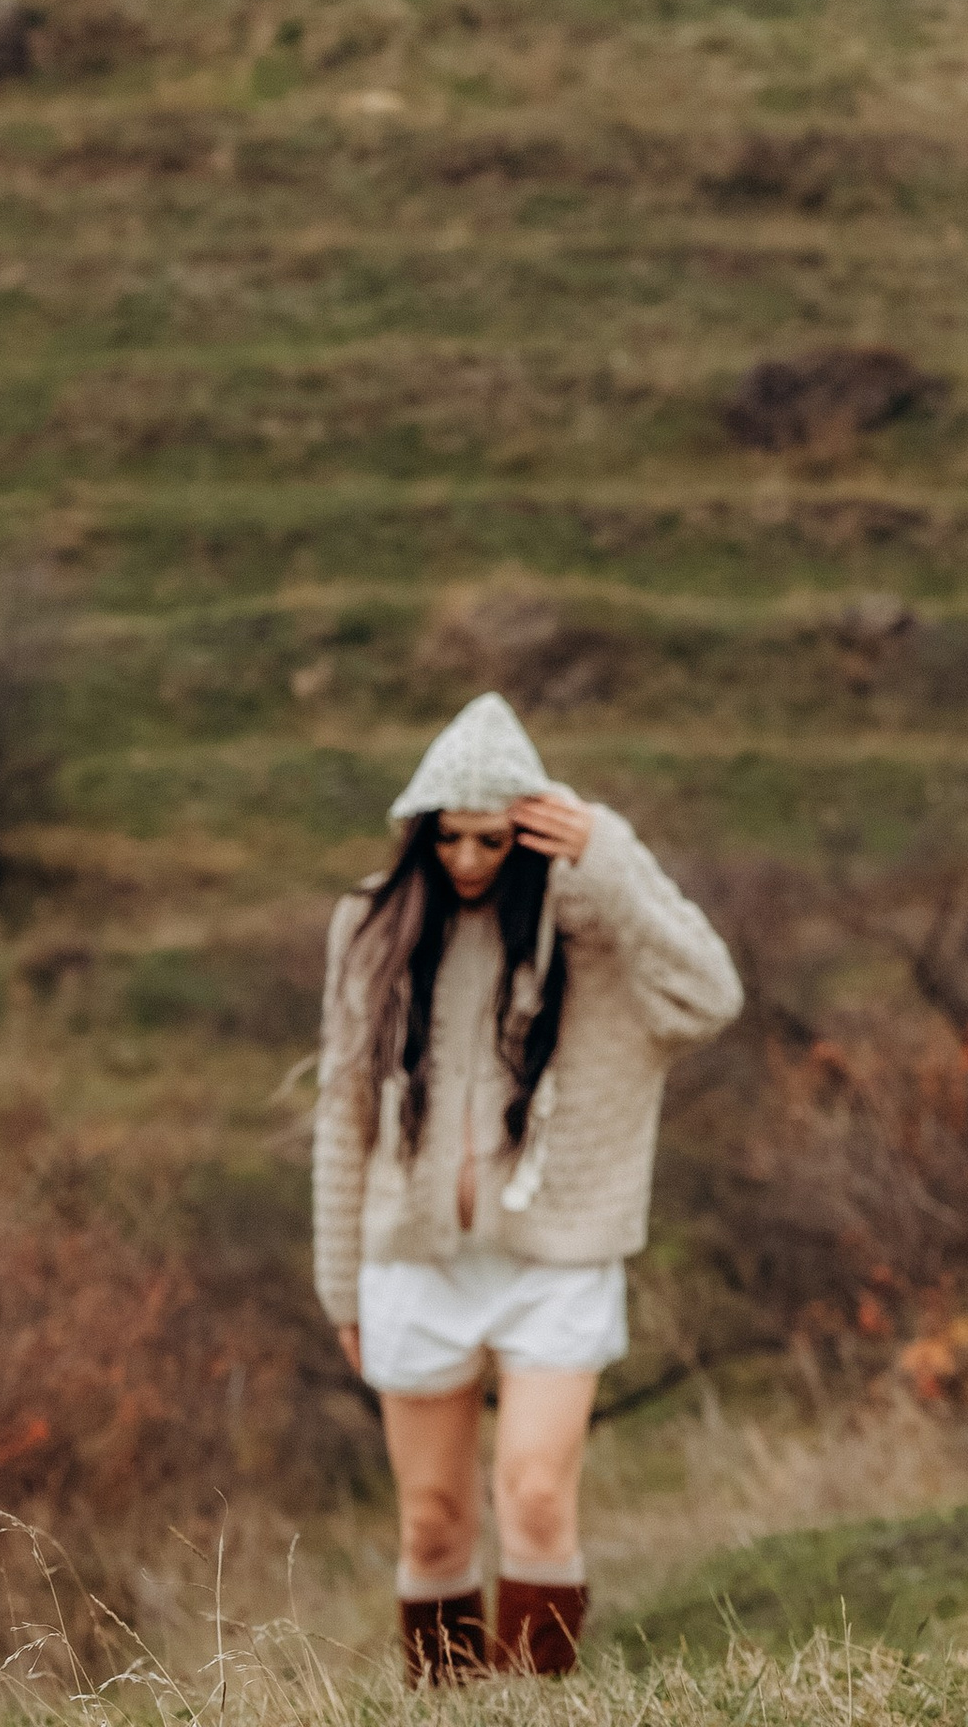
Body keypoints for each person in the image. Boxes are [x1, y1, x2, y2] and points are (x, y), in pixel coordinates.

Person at [313, 692, 742, 1683]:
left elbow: (712, 995)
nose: (468, 859)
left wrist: (612, 855)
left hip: (557, 1260)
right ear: (422, 833)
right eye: (450, 838)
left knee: (537, 1499)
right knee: (431, 1526)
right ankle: (448, 1704)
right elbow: (343, 1118)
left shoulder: (597, 934)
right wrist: (342, 1285)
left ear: (531, 833)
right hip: (412, 1264)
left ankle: (534, 1705)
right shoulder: (370, 930)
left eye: (493, 838)